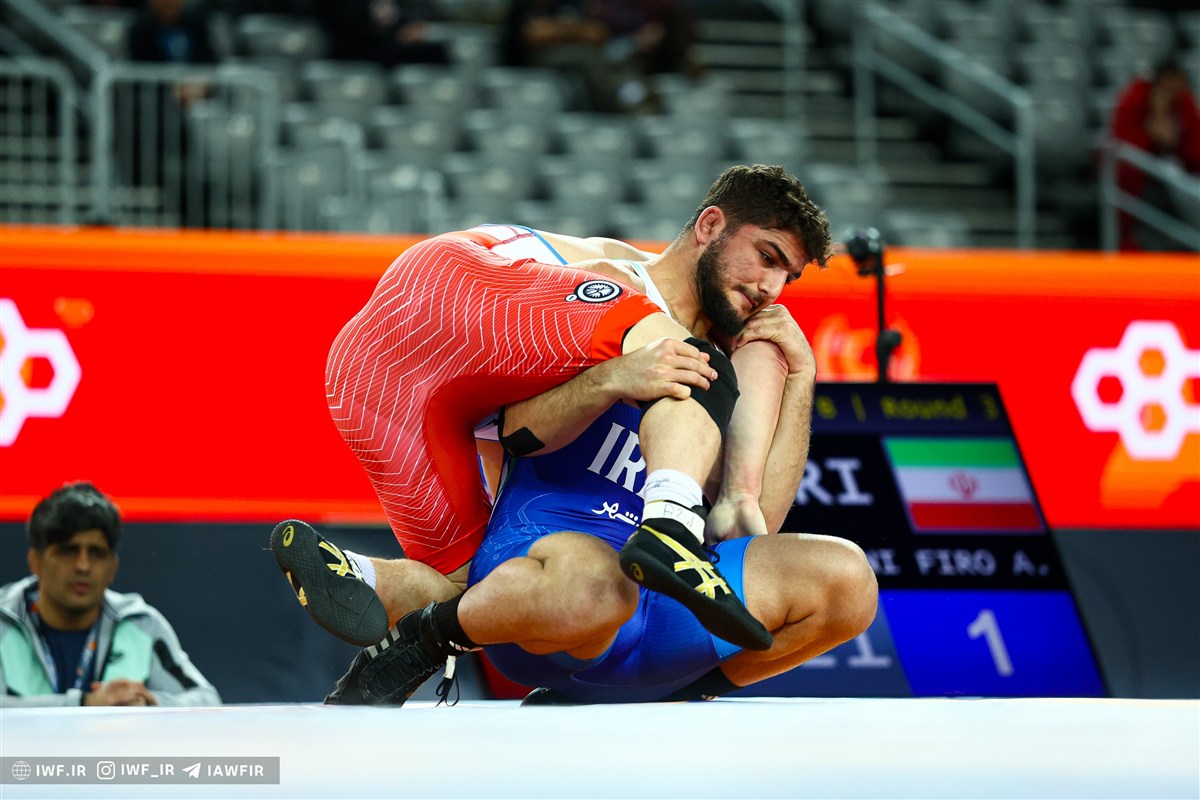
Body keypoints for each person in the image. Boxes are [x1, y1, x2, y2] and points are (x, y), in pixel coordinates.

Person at [271, 165, 832, 660]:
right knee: (686, 364)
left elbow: (756, 522)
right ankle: (671, 527)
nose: (772, 288)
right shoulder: (619, 279)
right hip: (448, 283)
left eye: (788, 277)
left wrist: (801, 373)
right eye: (766, 258)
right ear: (709, 225)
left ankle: (359, 574)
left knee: (471, 585)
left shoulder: (717, 333)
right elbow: (526, 427)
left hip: (370, 387)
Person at [0, 482, 220, 707]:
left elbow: (208, 702)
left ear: (113, 567)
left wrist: (148, 704)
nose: (83, 566)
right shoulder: (3, 621)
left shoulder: (142, 624)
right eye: (69, 551)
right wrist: (83, 704)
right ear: (35, 561)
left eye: (96, 553)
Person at [1107, 58, 1200, 250]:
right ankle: (1124, 240)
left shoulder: (1184, 102)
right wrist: (1157, 118)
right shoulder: (1136, 97)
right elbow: (1125, 142)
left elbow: (1191, 146)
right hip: (1143, 167)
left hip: (1177, 168)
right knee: (1126, 175)